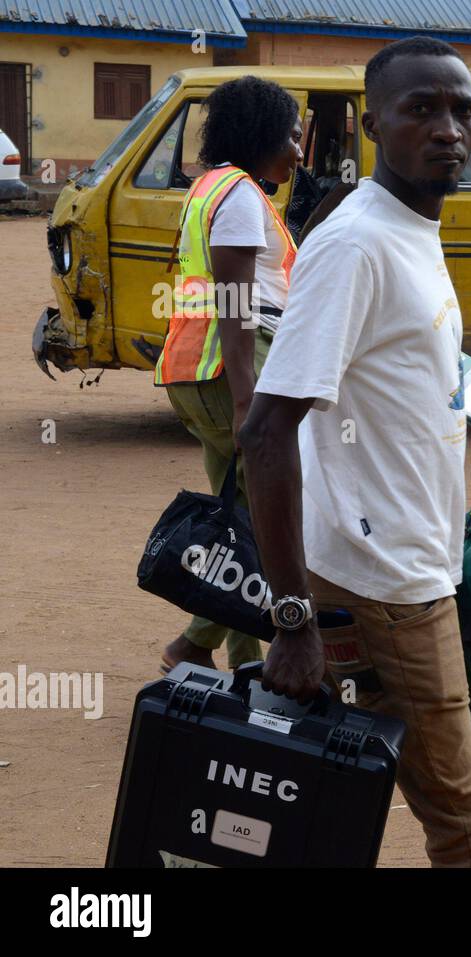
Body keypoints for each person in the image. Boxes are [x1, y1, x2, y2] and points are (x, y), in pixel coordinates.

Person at [239, 37, 471, 865]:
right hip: (385, 582)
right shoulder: (357, 242)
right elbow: (264, 428)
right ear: (372, 124)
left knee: (341, 793)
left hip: (408, 560)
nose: (448, 129)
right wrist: (292, 618)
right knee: (465, 820)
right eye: (421, 109)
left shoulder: (409, 225)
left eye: (464, 111)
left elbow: (405, 359)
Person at [154, 76, 302, 674]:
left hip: (191, 365)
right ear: (262, 133)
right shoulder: (240, 194)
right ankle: (192, 642)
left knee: (236, 514)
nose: (298, 148)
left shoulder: (208, 188)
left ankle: (244, 660)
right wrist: (247, 397)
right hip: (236, 365)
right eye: (291, 135)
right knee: (272, 512)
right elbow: (238, 296)